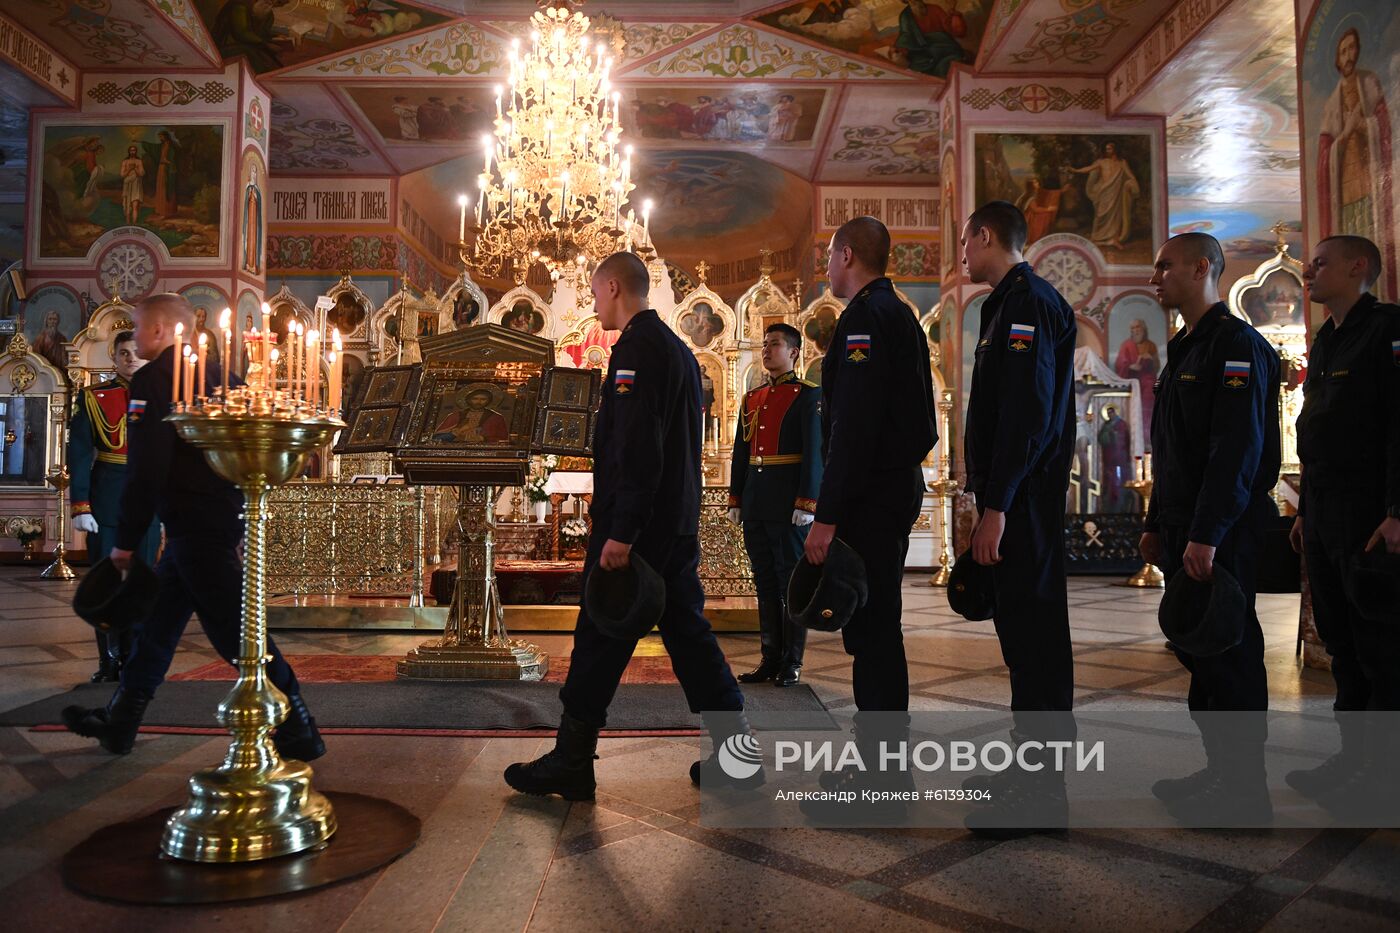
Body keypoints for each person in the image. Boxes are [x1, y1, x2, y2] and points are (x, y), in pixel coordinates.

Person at [504, 252, 747, 800]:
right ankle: (736, 758)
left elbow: (639, 449)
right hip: (673, 522)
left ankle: (571, 759)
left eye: (594, 294)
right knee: (687, 637)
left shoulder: (638, 349)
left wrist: (622, 531)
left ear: (613, 287)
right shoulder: (678, 349)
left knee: (599, 633)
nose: (593, 305)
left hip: (642, 529)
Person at [61, 294, 323, 762]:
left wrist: (124, 543)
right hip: (211, 520)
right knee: (158, 626)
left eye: (139, 326)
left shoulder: (154, 379)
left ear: (161, 331)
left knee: (235, 632)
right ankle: (121, 721)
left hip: (194, 526)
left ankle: (297, 725)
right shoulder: (225, 378)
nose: (135, 334)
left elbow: (147, 467)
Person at [798, 217, 935, 823]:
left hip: (870, 496)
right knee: (878, 627)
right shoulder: (898, 312)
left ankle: (883, 779)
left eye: (829, 256)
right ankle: (883, 765)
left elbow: (851, 429)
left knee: (875, 630)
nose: (826, 267)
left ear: (846, 254)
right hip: (889, 488)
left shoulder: (863, 319)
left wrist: (827, 518)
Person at [1140, 233, 1280, 823]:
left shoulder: (1236, 345)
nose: (1156, 278)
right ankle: (1219, 772)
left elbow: (1236, 452)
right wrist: (1155, 524)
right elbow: (1171, 449)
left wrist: (1207, 534)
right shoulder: (1186, 347)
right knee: (1200, 651)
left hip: (1222, 531)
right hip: (1186, 527)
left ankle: (1246, 790)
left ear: (1202, 268)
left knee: (1230, 652)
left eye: (1165, 267)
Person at [959, 200, 1078, 834]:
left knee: (1036, 642)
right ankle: (1031, 771)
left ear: (985, 236)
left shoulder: (1028, 302)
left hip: (1024, 503)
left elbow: (1029, 416)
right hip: (1012, 499)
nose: (962, 254)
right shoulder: (1002, 304)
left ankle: (1043, 793)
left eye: (965, 242)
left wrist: (998, 504)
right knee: (1020, 640)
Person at [1287, 235, 1400, 817]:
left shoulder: (1387, 330)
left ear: (1359, 268)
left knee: (1382, 650)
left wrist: (1397, 511)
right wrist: (1306, 509)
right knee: (1343, 645)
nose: (1309, 270)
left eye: (1321, 262)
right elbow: (1318, 433)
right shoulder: (1329, 338)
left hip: (1371, 517)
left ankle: (1383, 775)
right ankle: (1353, 760)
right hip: (1328, 513)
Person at [728, 323, 822, 687]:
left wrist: (807, 502)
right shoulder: (752, 397)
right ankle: (769, 658)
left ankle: (792, 661)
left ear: (794, 352)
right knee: (764, 581)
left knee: (790, 582)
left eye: (776, 344)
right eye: (765, 345)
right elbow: (741, 452)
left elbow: (815, 454)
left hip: (788, 504)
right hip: (755, 500)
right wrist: (736, 497)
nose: (767, 350)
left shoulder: (808, 396)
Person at [68, 331, 160, 682]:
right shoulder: (93, 397)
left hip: (148, 501)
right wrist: (81, 506)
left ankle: (133, 661)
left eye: (137, 352)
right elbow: (78, 454)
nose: (131, 358)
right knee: (105, 584)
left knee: (141, 585)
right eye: (124, 353)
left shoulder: (162, 397)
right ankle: (108, 661)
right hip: (106, 499)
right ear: (115, 358)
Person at [1067, 142, 1140, 251]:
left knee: (1115, 218)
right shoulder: (1102, 162)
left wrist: (1133, 184)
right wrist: (1076, 170)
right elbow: (1088, 168)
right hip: (1104, 192)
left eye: (1109, 149)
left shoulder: (1122, 163)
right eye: (1106, 149)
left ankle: (1113, 240)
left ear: (1115, 149)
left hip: (1116, 194)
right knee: (1100, 216)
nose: (1107, 151)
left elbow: (1130, 175)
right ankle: (1095, 238)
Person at [1115, 317, 1160, 438]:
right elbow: (1119, 364)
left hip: (1147, 381)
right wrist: (1130, 367)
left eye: (1138, 327)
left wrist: (1150, 359)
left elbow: (1157, 366)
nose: (1135, 330)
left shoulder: (1151, 346)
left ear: (1143, 329)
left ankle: (1148, 434)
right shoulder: (1126, 345)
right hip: (1132, 381)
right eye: (1133, 328)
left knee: (1150, 395)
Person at [120, 146, 144, 225]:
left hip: (136, 184)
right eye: (131, 150)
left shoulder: (139, 161)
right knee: (127, 205)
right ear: (129, 151)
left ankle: (134, 223)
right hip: (128, 184)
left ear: (136, 151)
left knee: (135, 205)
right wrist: (130, 169)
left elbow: (142, 173)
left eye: (134, 150)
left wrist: (135, 168)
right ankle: (127, 223)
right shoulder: (125, 161)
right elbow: (122, 175)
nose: (132, 152)